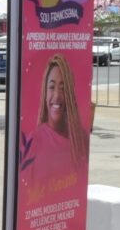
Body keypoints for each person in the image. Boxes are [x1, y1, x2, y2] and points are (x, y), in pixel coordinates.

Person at [24, 55, 88, 188]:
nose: (57, 96)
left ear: (70, 93)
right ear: (45, 91)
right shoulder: (34, 142)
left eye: (63, 88)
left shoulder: (81, 139)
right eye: (52, 87)